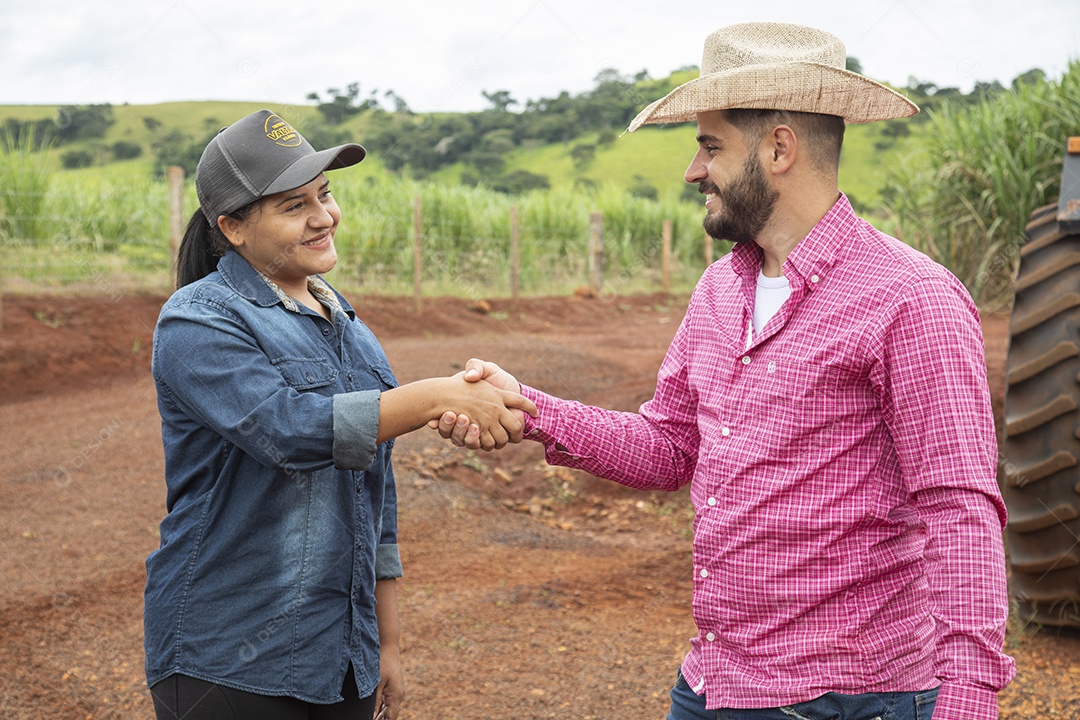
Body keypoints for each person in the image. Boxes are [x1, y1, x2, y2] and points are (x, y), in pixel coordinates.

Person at [435, 22, 1016, 720]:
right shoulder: (719, 289)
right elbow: (669, 446)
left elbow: (959, 508)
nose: (692, 170)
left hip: (850, 698)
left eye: (710, 146)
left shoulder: (911, 298)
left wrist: (969, 698)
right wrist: (530, 408)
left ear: (778, 148)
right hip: (715, 681)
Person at [144, 109, 535, 720]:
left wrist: (387, 645)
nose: (323, 216)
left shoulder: (349, 326)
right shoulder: (199, 319)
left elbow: (375, 502)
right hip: (227, 657)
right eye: (293, 206)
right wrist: (433, 397)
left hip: (342, 656)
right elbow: (288, 431)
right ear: (234, 228)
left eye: (324, 195)